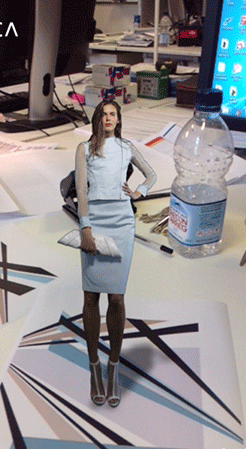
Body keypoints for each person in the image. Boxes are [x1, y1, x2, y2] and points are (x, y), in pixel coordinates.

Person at [74, 100, 157, 407]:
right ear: (97, 118)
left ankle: (114, 367)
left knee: (117, 298)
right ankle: (94, 366)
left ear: (119, 119)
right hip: (95, 220)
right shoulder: (84, 149)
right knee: (91, 296)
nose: (108, 118)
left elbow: (151, 175)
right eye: (104, 114)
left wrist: (139, 192)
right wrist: (85, 227)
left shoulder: (126, 148)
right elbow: (81, 191)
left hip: (122, 221)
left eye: (113, 114)